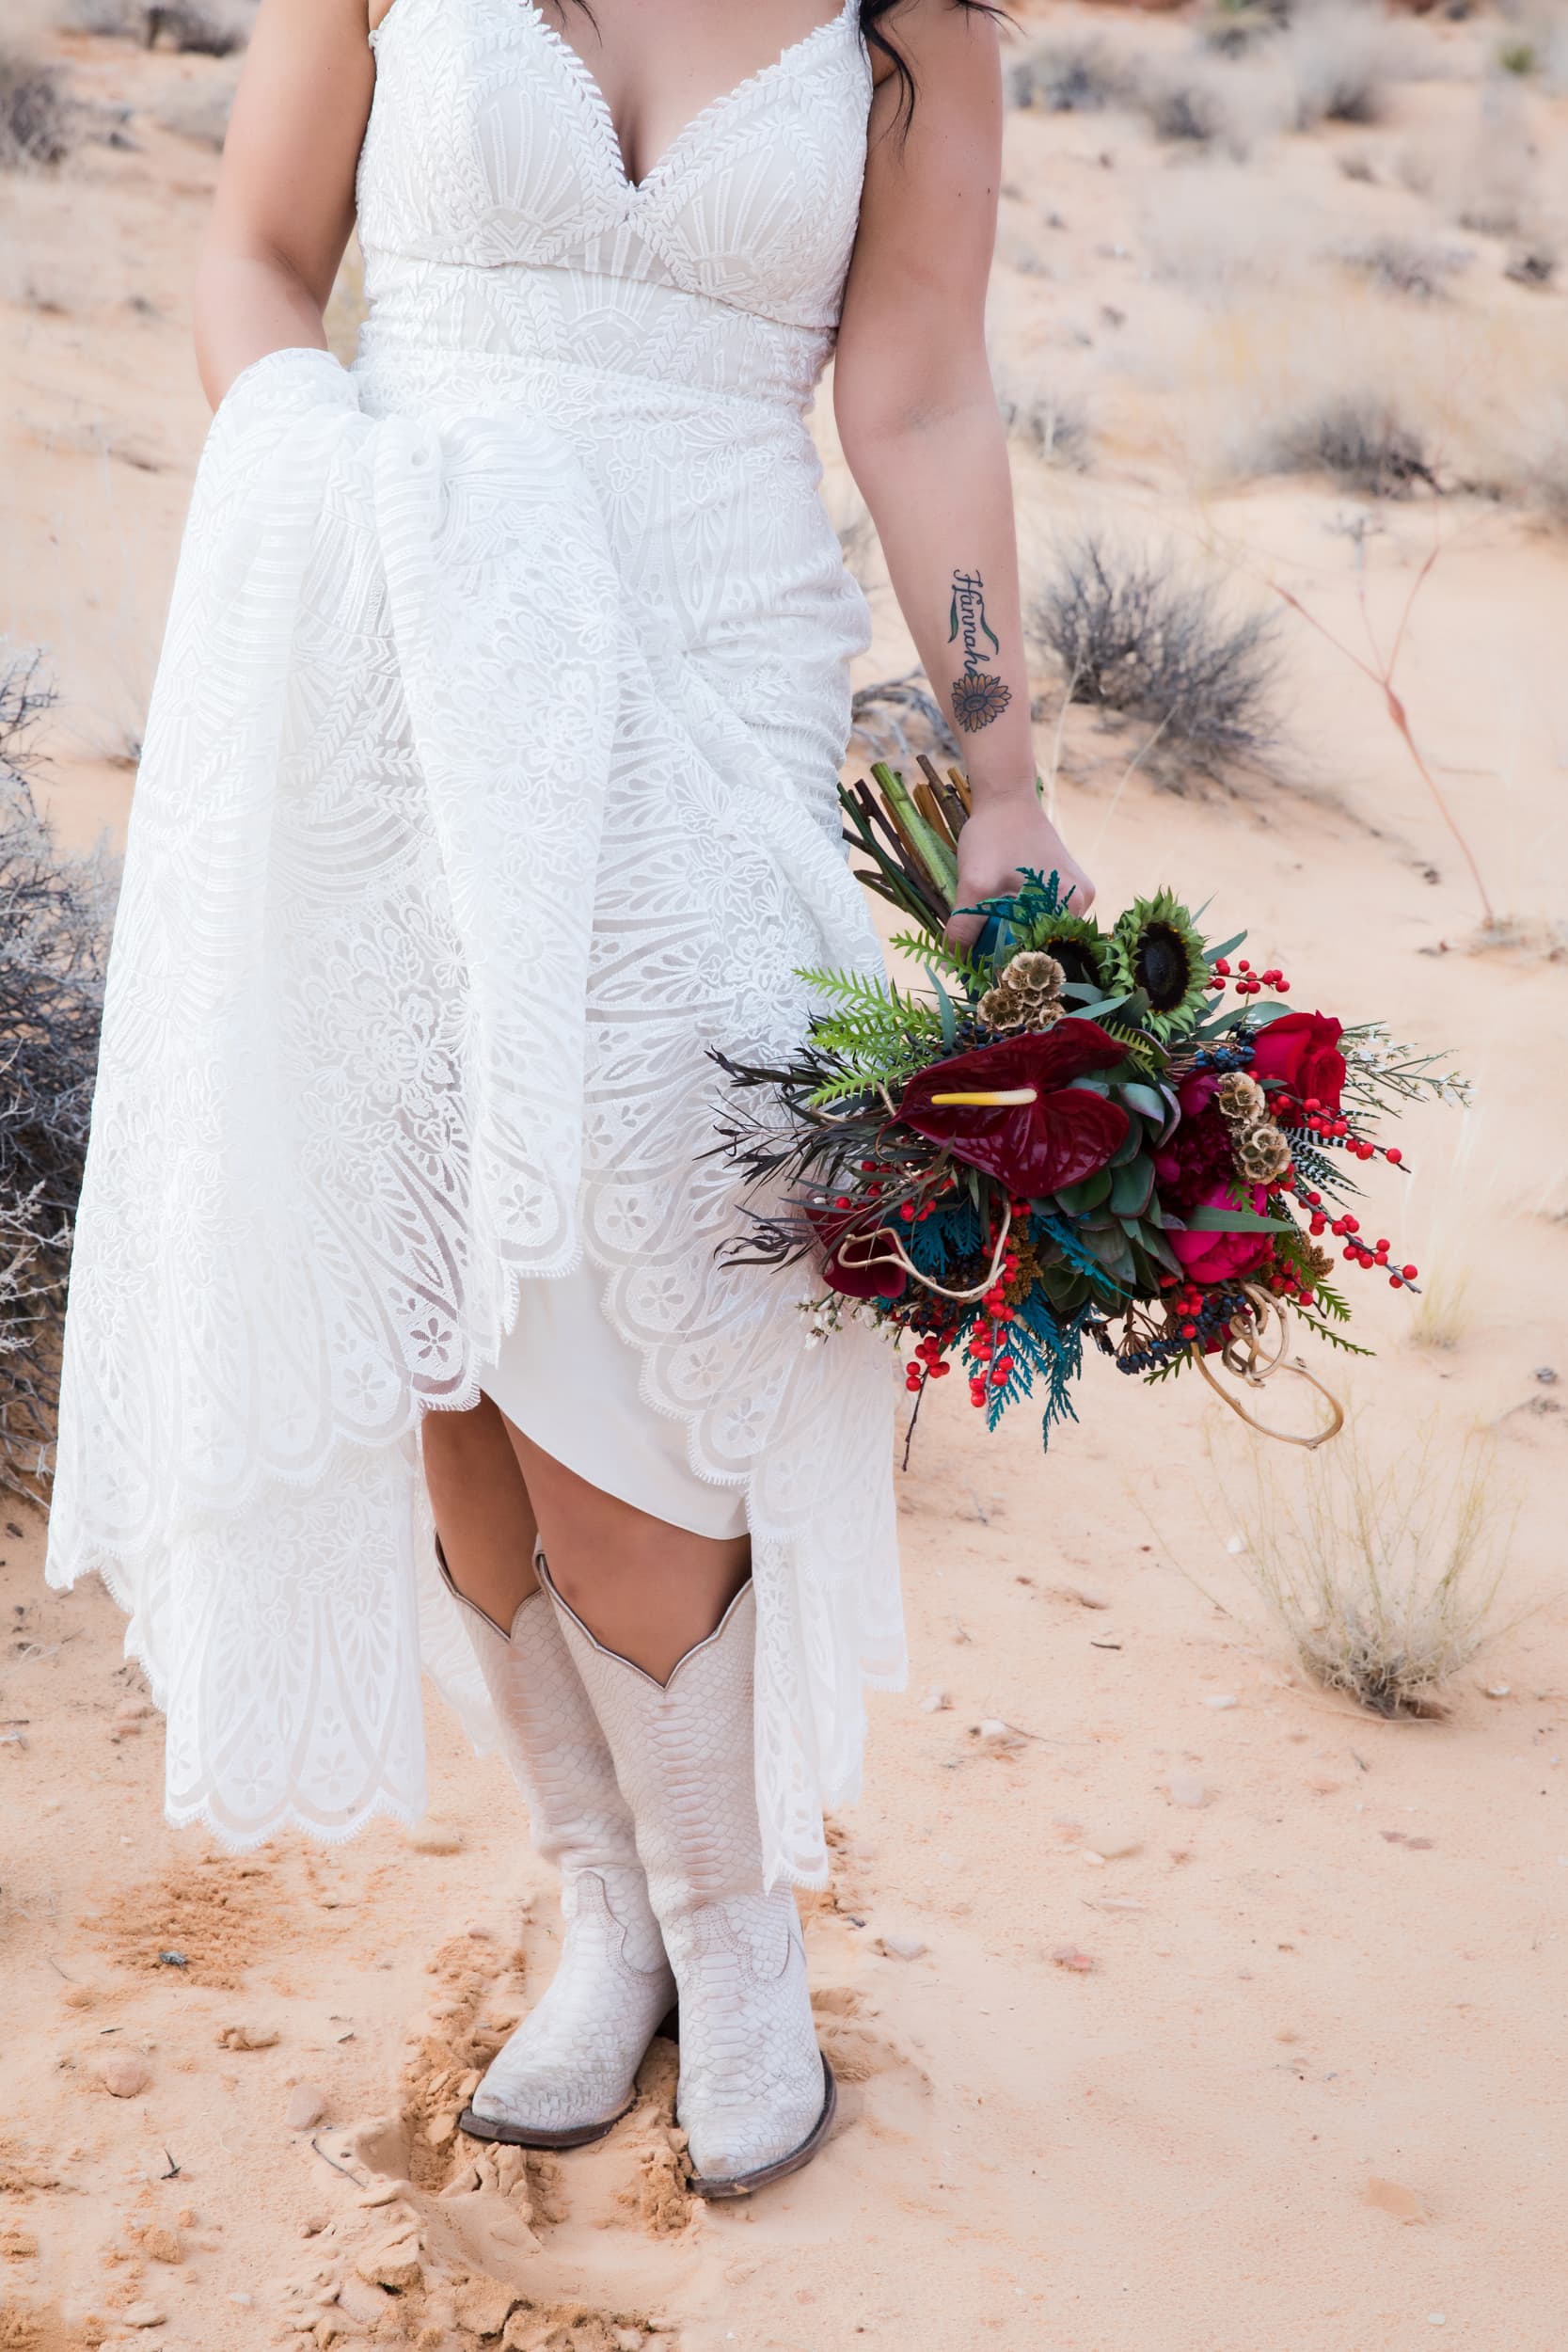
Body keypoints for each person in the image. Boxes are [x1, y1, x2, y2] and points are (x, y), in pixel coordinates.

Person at [47, 0, 1093, 2199]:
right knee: (457, 1300)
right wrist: (341, 478)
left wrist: (1001, 768)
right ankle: (607, 1912)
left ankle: (736, 1930)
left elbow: (912, 383)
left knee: (659, 1320)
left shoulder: (914, 24)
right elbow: (253, 254)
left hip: (710, 681)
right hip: (394, 653)